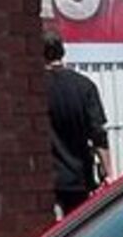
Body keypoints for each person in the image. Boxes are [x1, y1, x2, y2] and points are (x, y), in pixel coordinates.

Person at [45, 33, 110, 216]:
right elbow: (98, 133)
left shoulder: (34, 89)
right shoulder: (84, 86)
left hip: (45, 178)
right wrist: (107, 171)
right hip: (79, 176)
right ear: (62, 52)